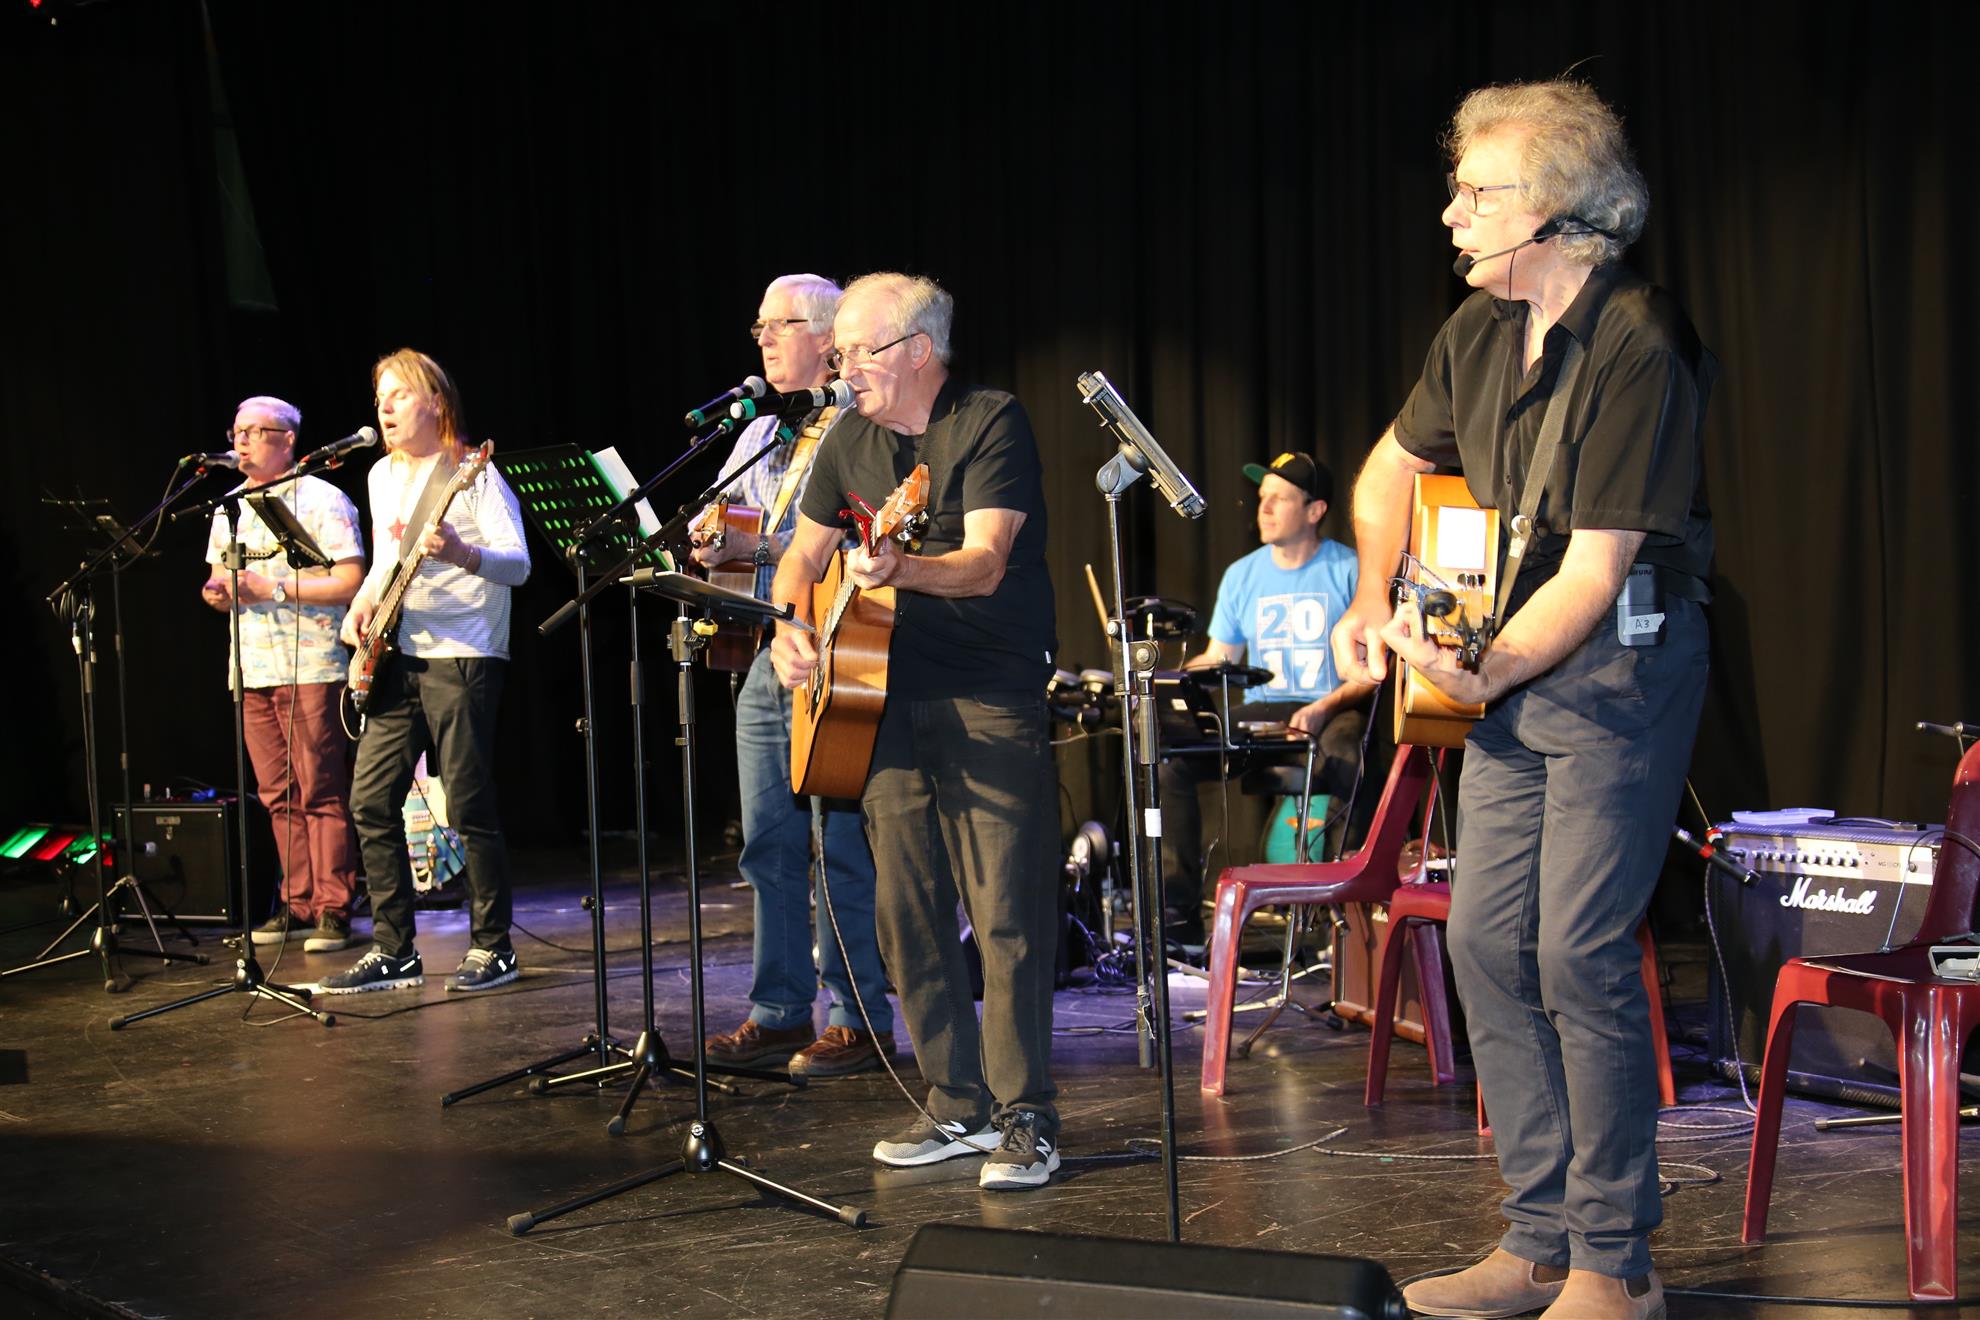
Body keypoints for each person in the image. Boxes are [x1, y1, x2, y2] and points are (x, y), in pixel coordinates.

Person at [1333, 81, 1714, 1320]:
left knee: (1578, 951)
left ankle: (1616, 1265)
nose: (1449, 214)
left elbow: (1596, 575)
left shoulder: (1638, 346)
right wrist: (1372, 600)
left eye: (1477, 193)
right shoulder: (1476, 334)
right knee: (1491, 943)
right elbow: (1393, 461)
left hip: (1617, 676)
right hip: (1504, 682)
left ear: (1554, 215)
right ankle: (1537, 1239)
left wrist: (1481, 669)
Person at [770, 272, 1062, 1190]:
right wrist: (788, 622)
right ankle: (956, 1104)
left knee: (1007, 911)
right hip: (877, 699)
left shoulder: (988, 421)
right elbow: (801, 558)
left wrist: (899, 568)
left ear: (917, 352)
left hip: (986, 692)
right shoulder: (848, 439)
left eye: (858, 350)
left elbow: (981, 564)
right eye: (840, 351)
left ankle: (1027, 1120)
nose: (840, 365)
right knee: (908, 910)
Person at [693, 274, 895, 1078]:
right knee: (767, 842)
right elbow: (739, 526)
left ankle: (857, 1015)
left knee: (837, 839)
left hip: (844, 647)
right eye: (759, 326)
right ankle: (778, 1010)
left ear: (828, 335)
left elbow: (859, 540)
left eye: (781, 325)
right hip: (771, 651)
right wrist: (715, 540)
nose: (765, 339)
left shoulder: (864, 420)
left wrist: (758, 550)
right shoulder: (757, 434)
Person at [320, 349, 532, 995]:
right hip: (399, 656)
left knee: (468, 803)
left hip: (464, 654)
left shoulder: (473, 473)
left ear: (436, 402)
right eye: (379, 395)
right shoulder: (382, 475)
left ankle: (494, 947)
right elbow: (385, 564)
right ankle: (395, 950)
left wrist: (463, 553)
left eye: (399, 394)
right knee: (369, 799)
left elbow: (518, 564)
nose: (384, 406)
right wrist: (357, 614)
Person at [1157, 451, 1374, 944]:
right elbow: (1221, 657)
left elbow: (1373, 673)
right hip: (1264, 712)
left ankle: (1343, 928)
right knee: (1171, 760)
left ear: (1315, 511)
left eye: (1279, 498)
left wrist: (1324, 708)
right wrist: (1163, 681)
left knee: (1346, 753)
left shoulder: (1349, 569)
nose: (1264, 508)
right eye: (1262, 498)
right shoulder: (1242, 574)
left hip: (1331, 706)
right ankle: (1179, 925)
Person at [199, 396, 365, 953]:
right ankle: (294, 905)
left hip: (312, 663)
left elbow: (348, 580)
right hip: (250, 666)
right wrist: (217, 593)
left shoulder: (323, 499)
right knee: (276, 794)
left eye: (255, 431)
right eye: (236, 430)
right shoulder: (230, 506)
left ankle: (334, 908)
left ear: (288, 439)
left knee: (320, 789)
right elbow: (219, 583)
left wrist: (271, 588)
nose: (241, 440)